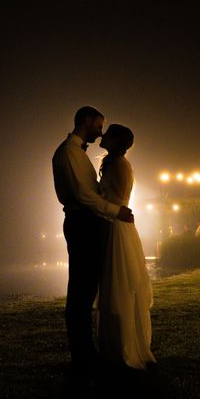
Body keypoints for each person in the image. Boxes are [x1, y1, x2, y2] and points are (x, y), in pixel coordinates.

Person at [52, 106, 134, 381]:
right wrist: (115, 211)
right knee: (81, 292)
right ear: (87, 121)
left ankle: (87, 352)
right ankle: (82, 355)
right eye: (99, 126)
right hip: (81, 224)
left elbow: (93, 192)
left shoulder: (78, 153)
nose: (101, 133)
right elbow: (83, 196)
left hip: (88, 224)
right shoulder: (68, 153)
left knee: (86, 290)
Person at [96, 124, 156, 370]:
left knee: (119, 285)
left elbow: (117, 199)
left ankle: (124, 348)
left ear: (116, 140)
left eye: (108, 133)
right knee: (113, 285)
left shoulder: (120, 165)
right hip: (114, 224)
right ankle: (113, 347)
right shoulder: (113, 163)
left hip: (118, 227)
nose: (103, 135)